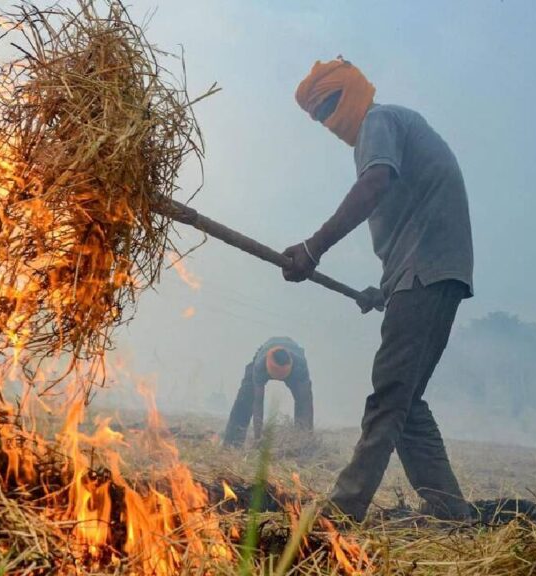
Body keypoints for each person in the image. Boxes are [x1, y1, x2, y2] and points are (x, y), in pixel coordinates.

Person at [281, 57, 474, 521]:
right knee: (406, 401)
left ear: (351, 91)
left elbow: (374, 185)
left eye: (329, 105)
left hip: (424, 275)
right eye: (319, 116)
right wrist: (383, 292)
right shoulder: (391, 125)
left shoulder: (378, 121)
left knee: (389, 395)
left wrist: (314, 246)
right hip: (427, 276)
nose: (329, 120)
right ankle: (451, 510)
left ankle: (343, 509)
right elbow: (414, 219)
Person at [223, 337, 313, 447]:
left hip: (295, 364)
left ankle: (302, 445)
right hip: (265, 353)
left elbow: (305, 404)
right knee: (246, 396)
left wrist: (305, 438)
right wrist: (258, 438)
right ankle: (232, 443)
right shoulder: (260, 366)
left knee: (304, 404)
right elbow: (257, 402)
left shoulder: (299, 367)